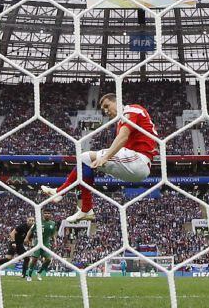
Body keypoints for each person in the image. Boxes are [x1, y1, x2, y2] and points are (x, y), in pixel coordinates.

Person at [41, 93, 157, 223]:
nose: (106, 111)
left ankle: (66, 196)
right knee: (84, 161)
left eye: (107, 106)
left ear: (117, 101)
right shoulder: (120, 122)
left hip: (139, 161)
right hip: (133, 165)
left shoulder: (132, 110)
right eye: (104, 110)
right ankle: (78, 204)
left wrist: (106, 157)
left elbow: (123, 137)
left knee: (85, 157)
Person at [24, 211, 57, 281]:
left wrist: (55, 241)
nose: (47, 214)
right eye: (45, 213)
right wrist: (26, 238)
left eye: (48, 213)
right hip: (38, 243)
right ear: (43, 214)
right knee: (34, 259)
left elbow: (53, 234)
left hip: (46, 244)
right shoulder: (38, 222)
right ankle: (29, 275)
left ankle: (39, 272)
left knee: (48, 259)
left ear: (50, 214)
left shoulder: (53, 223)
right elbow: (30, 230)